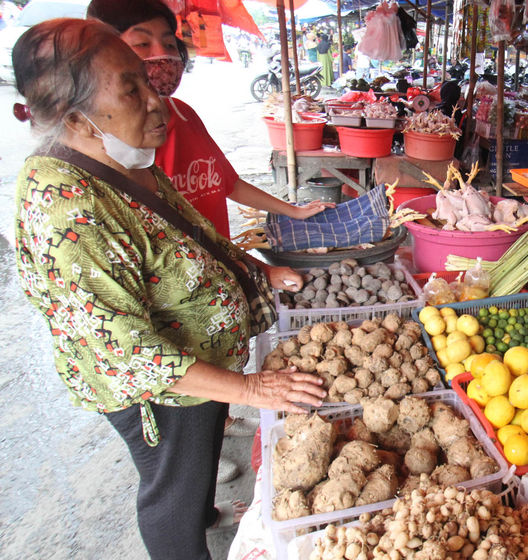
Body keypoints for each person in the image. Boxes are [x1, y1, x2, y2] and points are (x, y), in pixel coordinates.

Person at [11, 18, 327, 560]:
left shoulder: (124, 163)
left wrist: (256, 271)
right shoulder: (66, 206)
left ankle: (202, 503)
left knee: (195, 465)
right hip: (159, 392)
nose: (156, 102)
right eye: (130, 89)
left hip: (201, 371)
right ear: (75, 119)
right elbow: (123, 351)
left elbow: (194, 238)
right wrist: (249, 390)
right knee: (170, 496)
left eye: (146, 80)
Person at [86, 0, 333, 482]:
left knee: (195, 454)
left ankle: (203, 464)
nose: (162, 56)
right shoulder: (115, 159)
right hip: (169, 349)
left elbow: (222, 188)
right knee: (174, 482)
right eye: (141, 45)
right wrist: (249, 389)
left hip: (208, 322)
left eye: (168, 43)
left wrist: (289, 216)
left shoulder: (183, 116)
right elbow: (127, 344)